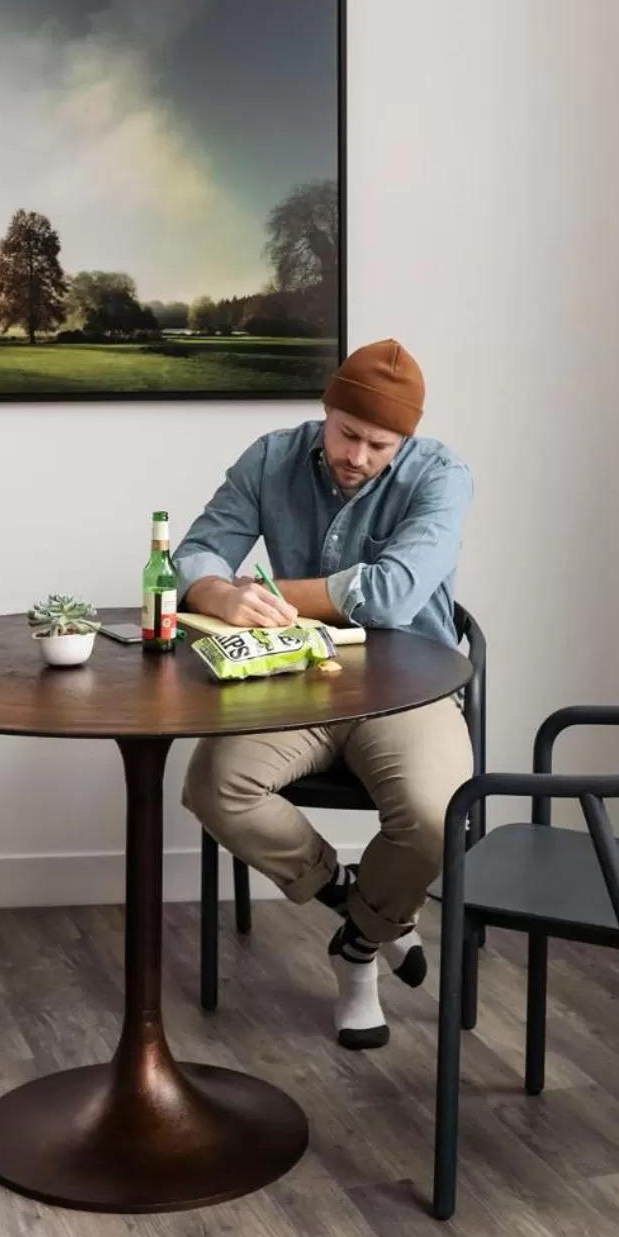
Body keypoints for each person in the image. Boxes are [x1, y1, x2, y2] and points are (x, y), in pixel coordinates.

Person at [175, 338, 473, 1049]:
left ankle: (358, 953)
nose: (359, 457)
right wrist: (216, 589)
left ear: (405, 439)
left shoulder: (443, 476)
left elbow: (391, 595)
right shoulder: (271, 457)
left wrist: (263, 593)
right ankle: (357, 903)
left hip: (411, 687)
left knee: (435, 820)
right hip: (293, 682)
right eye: (348, 435)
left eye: (380, 444)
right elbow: (195, 550)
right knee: (213, 786)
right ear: (326, 409)